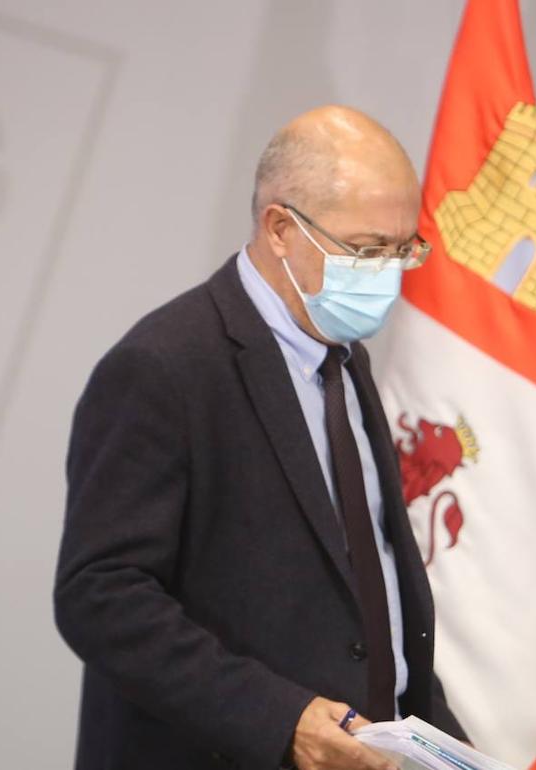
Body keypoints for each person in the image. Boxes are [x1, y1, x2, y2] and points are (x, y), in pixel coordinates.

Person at [54, 105, 465, 770]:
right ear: (279, 229)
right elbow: (99, 596)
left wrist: (439, 742)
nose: (388, 273)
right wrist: (281, 720)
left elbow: (369, 584)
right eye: (366, 250)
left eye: (402, 249)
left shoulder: (344, 358)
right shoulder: (164, 365)